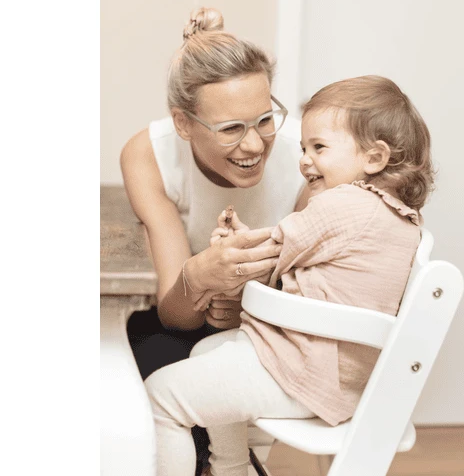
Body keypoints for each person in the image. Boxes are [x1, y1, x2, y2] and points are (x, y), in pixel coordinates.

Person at [144, 75, 436, 476]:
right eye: (303, 147)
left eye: (319, 147)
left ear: (374, 158)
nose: (304, 160)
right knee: (206, 350)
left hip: (306, 372)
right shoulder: (396, 217)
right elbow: (291, 251)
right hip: (338, 372)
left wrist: (233, 246)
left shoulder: (343, 204)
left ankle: (229, 467)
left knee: (160, 397)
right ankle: (231, 470)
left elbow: (271, 251)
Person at [120, 3, 308, 473]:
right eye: (230, 129)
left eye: (265, 119)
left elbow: (321, 292)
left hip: (280, 329)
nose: (254, 145)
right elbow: (175, 313)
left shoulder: (310, 157)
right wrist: (200, 277)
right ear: (184, 123)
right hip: (187, 323)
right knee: (141, 342)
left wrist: (251, 300)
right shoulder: (149, 155)